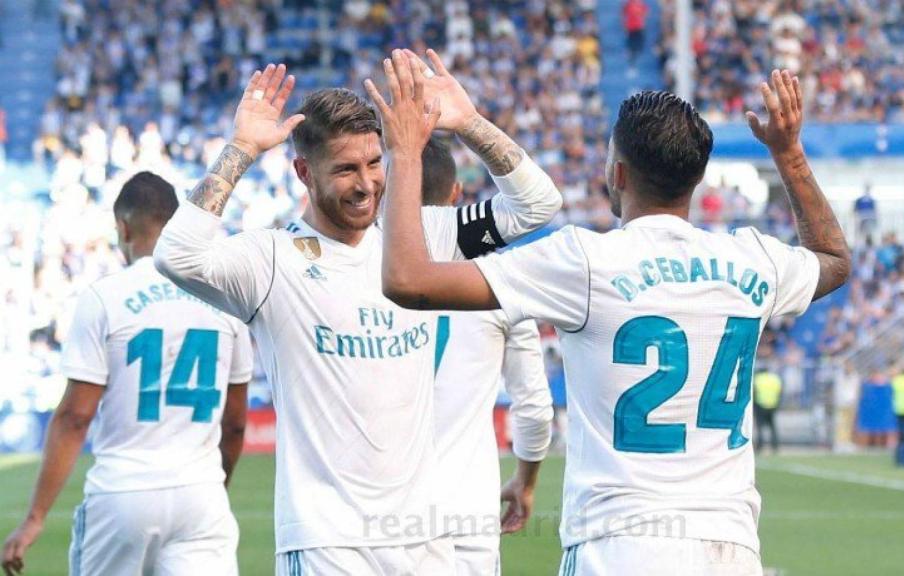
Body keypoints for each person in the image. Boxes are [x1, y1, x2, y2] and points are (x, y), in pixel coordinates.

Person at [369, 55, 849, 575]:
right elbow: (835, 260)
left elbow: (408, 281)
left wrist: (406, 153)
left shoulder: (584, 261)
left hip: (619, 545)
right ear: (696, 178)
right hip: (728, 548)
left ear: (616, 173)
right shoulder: (753, 259)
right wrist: (789, 153)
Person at [154, 57, 562, 574]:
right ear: (304, 172)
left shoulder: (419, 240)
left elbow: (538, 205)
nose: (367, 184)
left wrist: (466, 121)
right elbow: (176, 256)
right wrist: (242, 150)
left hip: (424, 540)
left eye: (375, 163)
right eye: (346, 169)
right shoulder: (271, 260)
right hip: (329, 544)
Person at [2, 172, 253, 576]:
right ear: (175, 222)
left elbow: (75, 417)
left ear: (122, 227)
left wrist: (35, 517)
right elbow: (236, 423)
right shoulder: (225, 299)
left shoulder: (105, 297)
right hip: (201, 494)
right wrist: (210, 488)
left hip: (123, 491)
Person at [423, 136, 553, 575]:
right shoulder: (502, 278)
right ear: (455, 194)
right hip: (466, 511)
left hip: (378, 507)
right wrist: (526, 482)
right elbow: (534, 408)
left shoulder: (360, 265)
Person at [753, 366, 783, 454]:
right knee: (773, 427)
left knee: (760, 427)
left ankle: (760, 446)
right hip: (773, 405)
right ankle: (775, 446)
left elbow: (754, 392)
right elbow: (780, 391)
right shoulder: (775, 378)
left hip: (760, 405)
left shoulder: (757, 379)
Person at [622, 0, 649, 66]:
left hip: (639, 26)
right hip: (631, 26)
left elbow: (646, 12)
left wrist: (643, 20)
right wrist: (624, 24)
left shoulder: (640, 3)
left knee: (639, 40)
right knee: (631, 41)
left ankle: (637, 52)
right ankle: (630, 53)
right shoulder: (628, 4)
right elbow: (623, 13)